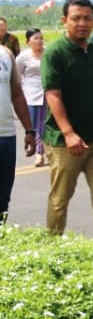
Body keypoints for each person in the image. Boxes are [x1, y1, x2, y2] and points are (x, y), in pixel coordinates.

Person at [42, 0, 93, 235]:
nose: (82, 23)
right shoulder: (55, 53)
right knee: (60, 199)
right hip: (66, 142)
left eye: (87, 18)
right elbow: (53, 95)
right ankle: (50, 249)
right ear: (65, 20)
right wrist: (69, 133)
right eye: (76, 18)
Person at [1, 41, 37, 221]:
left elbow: (17, 94)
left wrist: (29, 130)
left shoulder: (6, 54)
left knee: (3, 198)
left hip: (6, 135)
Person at [15, 29, 45, 167]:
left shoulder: (48, 54)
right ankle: (34, 147)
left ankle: (40, 153)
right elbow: (16, 77)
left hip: (46, 94)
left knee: (43, 125)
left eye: (41, 38)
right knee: (32, 126)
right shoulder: (23, 57)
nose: (39, 41)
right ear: (28, 42)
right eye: (36, 38)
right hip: (30, 95)